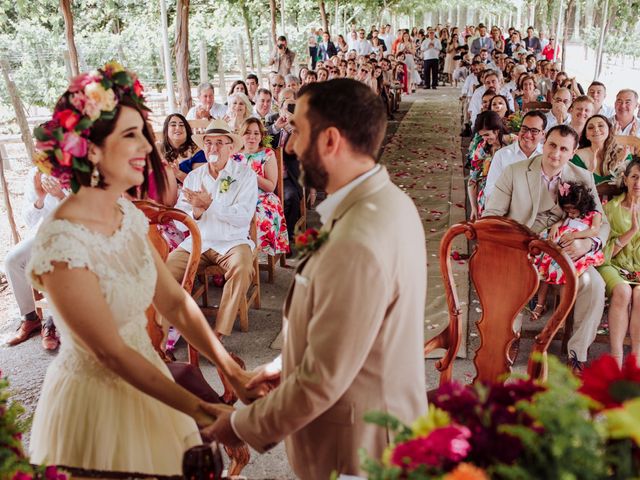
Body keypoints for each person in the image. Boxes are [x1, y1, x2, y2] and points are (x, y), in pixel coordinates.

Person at [25, 62, 257, 476]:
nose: (147, 148)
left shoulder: (125, 214)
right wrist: (206, 413)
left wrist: (231, 368)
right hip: (94, 410)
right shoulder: (60, 241)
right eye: (130, 136)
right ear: (90, 149)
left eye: (144, 135)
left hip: (149, 380)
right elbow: (110, 353)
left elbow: (173, 300)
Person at [200, 78, 428, 479]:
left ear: (330, 141)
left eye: (299, 133)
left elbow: (324, 378)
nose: (289, 146)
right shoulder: (386, 199)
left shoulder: (357, 237)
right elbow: (348, 329)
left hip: (359, 445)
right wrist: (280, 367)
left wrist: (236, 426)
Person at [484, 125, 610, 373]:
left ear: (573, 151)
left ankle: (577, 353)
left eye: (564, 149)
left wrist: (586, 243)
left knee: (595, 285)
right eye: (552, 145)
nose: (556, 153)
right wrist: (515, 244)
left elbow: (602, 223)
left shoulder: (582, 177)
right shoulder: (515, 172)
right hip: (523, 249)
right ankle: (511, 336)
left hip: (567, 253)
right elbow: (491, 217)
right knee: (510, 281)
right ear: (544, 143)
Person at [168, 119, 257, 338]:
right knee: (164, 271)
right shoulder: (194, 177)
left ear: (230, 147)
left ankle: (218, 333)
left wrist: (211, 206)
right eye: (208, 143)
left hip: (232, 242)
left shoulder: (245, 175)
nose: (213, 148)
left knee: (243, 268)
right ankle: (163, 331)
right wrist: (196, 212)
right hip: (198, 241)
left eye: (219, 142)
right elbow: (179, 221)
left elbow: (244, 217)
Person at [5, 169, 65, 350]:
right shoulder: (35, 174)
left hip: (73, 232)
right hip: (42, 232)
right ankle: (30, 319)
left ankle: (52, 322)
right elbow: (29, 219)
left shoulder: (79, 168)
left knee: (49, 260)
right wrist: (40, 199)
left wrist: (61, 195)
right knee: (12, 260)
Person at [532, 181, 605, 320]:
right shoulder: (569, 215)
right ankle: (540, 304)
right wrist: (555, 226)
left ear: (582, 205)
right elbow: (563, 220)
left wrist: (574, 235)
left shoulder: (594, 214)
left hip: (574, 250)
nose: (570, 214)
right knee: (544, 271)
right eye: (567, 210)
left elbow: (594, 231)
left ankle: (562, 313)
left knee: (567, 276)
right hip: (559, 245)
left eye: (573, 210)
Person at [597, 157, 640, 367]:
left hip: (638, 267)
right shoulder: (611, 209)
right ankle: (616, 357)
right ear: (625, 179)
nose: (638, 183)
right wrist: (632, 231)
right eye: (634, 177)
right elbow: (604, 253)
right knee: (623, 292)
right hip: (612, 264)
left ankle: (636, 358)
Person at [238, 118, 290, 256]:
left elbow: (270, 187)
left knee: (255, 219)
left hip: (263, 198)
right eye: (247, 132)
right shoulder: (234, 156)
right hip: (239, 198)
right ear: (241, 134)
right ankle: (233, 257)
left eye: (256, 133)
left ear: (261, 136)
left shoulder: (267, 154)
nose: (252, 137)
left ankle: (248, 257)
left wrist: (253, 176)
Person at [484, 110, 546, 200]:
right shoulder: (502, 155)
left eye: (534, 131)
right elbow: (490, 190)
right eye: (524, 129)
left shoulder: (547, 156)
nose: (528, 135)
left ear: (543, 134)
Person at [468, 111, 515, 220]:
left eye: (487, 134)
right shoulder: (482, 149)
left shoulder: (514, 143)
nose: (484, 139)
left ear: (497, 130)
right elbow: (472, 180)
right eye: (481, 136)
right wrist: (474, 208)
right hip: (488, 199)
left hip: (514, 197)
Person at [572, 114, 630, 186]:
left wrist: (620, 161)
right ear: (586, 135)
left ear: (609, 130)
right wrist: (589, 171)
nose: (596, 129)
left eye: (600, 125)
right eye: (590, 127)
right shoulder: (577, 156)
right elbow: (575, 187)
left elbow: (628, 185)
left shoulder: (623, 152)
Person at [157, 113, 203, 184]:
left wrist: (178, 173)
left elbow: (200, 183)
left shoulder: (197, 151)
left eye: (182, 125)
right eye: (173, 125)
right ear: (166, 129)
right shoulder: (157, 148)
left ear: (187, 130)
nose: (178, 128)